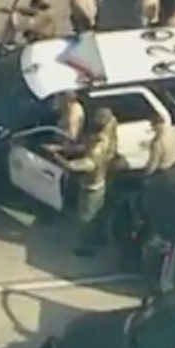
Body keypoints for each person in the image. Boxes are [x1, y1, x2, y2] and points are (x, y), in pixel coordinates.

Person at [67, 110, 119, 257]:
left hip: (91, 188)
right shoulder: (106, 136)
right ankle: (101, 239)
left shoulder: (96, 151)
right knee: (98, 215)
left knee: (86, 219)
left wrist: (59, 159)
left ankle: (88, 248)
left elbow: (82, 165)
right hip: (101, 182)